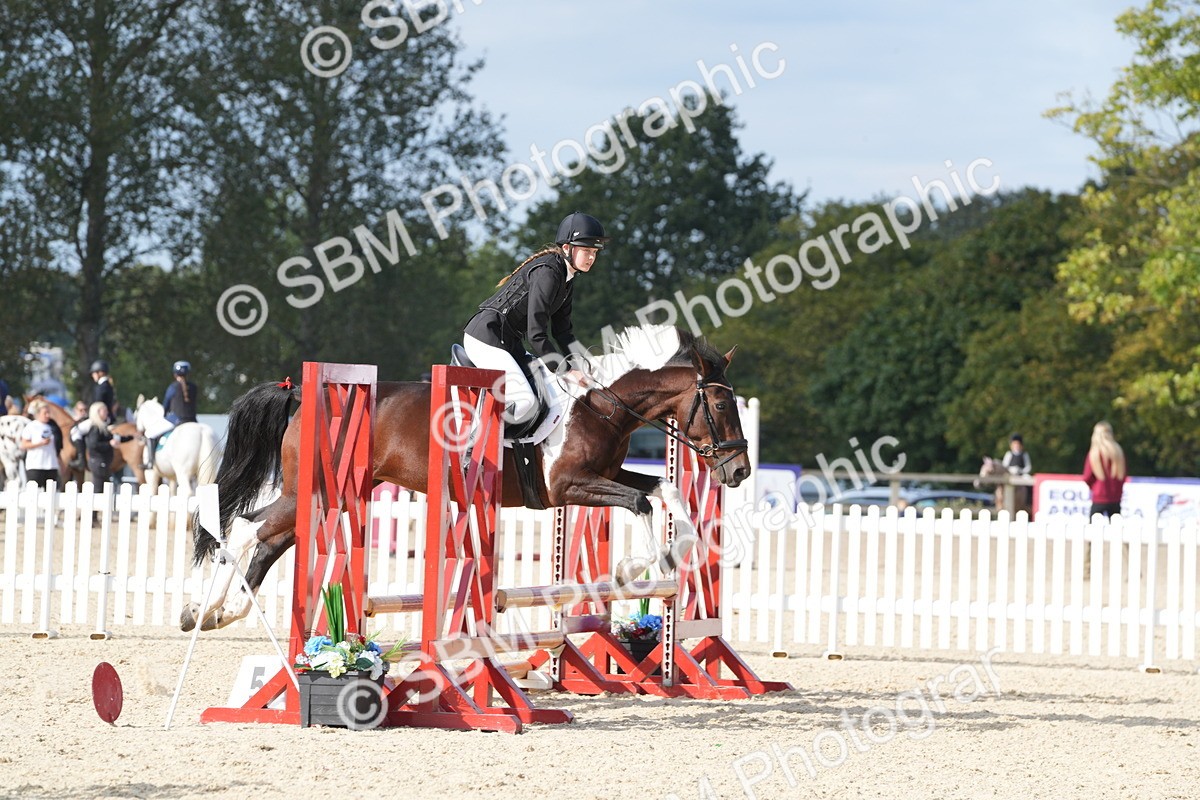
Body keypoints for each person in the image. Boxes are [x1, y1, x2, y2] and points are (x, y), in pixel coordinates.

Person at [462, 211, 606, 433]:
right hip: (485, 337)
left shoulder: (567, 280)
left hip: (507, 343)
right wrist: (566, 369)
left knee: (551, 391)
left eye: (594, 252)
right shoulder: (548, 273)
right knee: (525, 402)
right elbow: (536, 334)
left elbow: (563, 332)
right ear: (567, 248)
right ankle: (470, 444)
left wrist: (583, 365)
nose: (591, 257)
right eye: (586, 250)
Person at [146, 360, 198, 469]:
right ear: (188, 373)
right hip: (193, 420)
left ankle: (150, 462)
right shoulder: (194, 387)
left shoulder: (172, 387)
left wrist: (164, 414)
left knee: (149, 433)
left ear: (175, 374)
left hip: (176, 420)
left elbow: (166, 406)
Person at [82, 402, 133, 492]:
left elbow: (114, 438)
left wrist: (131, 437)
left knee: (104, 488)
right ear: (97, 412)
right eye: (104, 410)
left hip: (104, 462)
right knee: (99, 489)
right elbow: (93, 444)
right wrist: (109, 444)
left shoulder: (103, 427)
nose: (107, 412)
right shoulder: (95, 428)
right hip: (98, 462)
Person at [1083, 421, 1127, 519]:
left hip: (1099, 498)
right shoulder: (1118, 452)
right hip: (1115, 498)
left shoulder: (1094, 453)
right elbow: (1123, 476)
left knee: (1093, 529)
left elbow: (1087, 476)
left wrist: (1094, 487)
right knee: (1116, 529)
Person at [19, 400, 60, 488]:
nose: (48, 415)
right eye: (45, 413)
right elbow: (24, 445)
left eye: (48, 412)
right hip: (36, 465)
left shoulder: (52, 426)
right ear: (37, 414)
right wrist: (40, 443)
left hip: (51, 465)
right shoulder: (31, 426)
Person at [1002, 433, 1032, 510]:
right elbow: (1004, 466)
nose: (1016, 446)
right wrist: (1011, 469)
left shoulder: (1024, 455)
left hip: (1021, 475)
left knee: (1029, 483)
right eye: (1014, 444)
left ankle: (1029, 502)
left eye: (1018, 444)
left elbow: (1028, 467)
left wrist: (1020, 470)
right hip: (1011, 475)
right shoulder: (1008, 454)